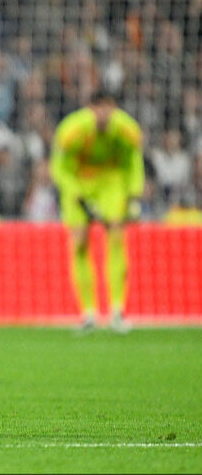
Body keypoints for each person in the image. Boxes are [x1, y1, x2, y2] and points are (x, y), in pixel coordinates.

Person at [50, 91, 144, 332]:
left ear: (114, 109)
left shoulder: (126, 129)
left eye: (108, 108)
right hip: (78, 182)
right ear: (89, 108)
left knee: (116, 235)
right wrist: (77, 195)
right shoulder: (71, 130)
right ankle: (89, 313)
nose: (104, 114)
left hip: (111, 182)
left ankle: (117, 311)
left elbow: (133, 162)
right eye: (99, 108)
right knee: (79, 242)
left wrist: (133, 194)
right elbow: (59, 168)